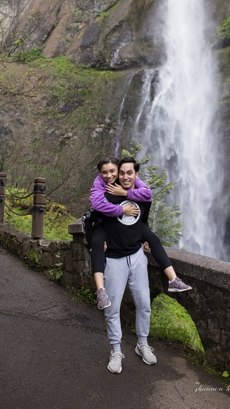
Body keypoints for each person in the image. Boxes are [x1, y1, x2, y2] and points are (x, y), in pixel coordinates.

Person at [83, 158, 191, 310]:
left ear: (135, 174)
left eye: (113, 171)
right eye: (105, 172)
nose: (109, 175)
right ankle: (100, 290)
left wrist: (126, 193)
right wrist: (122, 210)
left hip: (134, 228)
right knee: (97, 243)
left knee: (153, 238)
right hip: (103, 224)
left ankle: (173, 279)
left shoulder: (134, 187)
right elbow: (95, 205)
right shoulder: (102, 188)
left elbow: (147, 196)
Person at [99, 157, 157, 373]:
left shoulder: (142, 198)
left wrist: (145, 238)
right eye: (121, 173)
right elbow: (93, 220)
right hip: (114, 258)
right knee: (112, 307)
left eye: (129, 173)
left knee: (144, 303)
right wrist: (96, 239)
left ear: (136, 175)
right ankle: (116, 349)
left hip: (137, 256)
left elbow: (144, 221)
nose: (124, 176)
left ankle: (142, 343)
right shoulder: (105, 195)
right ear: (117, 174)